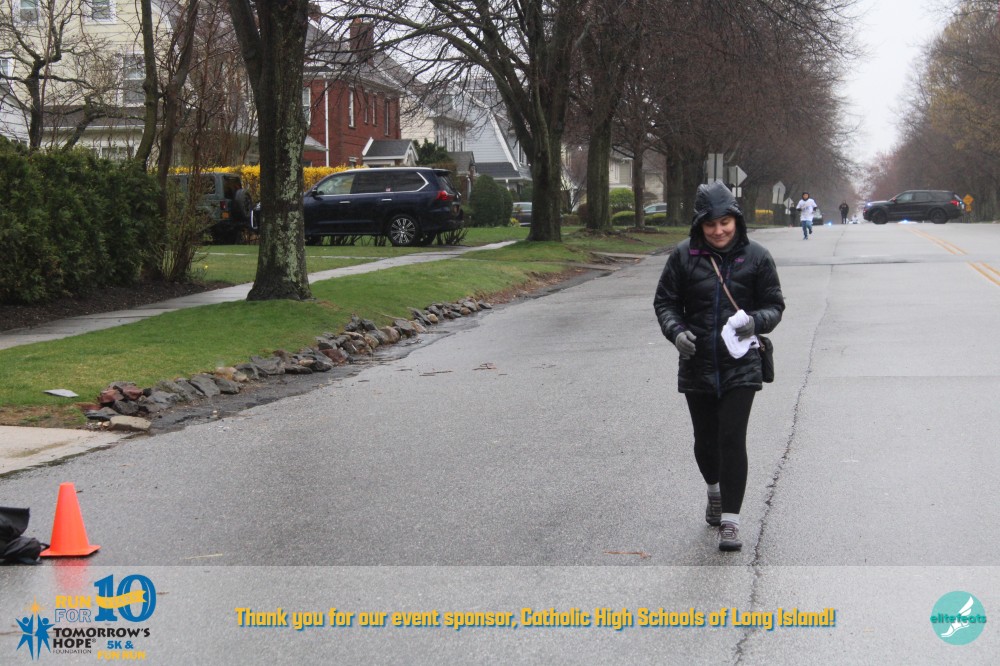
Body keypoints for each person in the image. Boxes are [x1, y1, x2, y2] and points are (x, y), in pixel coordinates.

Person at [654, 181, 785, 552]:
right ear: (699, 224)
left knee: (731, 439)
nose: (718, 231)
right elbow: (665, 303)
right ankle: (714, 491)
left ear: (736, 220)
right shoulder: (683, 257)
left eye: (724, 222)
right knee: (706, 440)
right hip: (696, 362)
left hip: (741, 364)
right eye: (710, 224)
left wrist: (755, 322)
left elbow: (774, 305)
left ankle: (731, 521)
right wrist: (676, 332)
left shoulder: (757, 257)